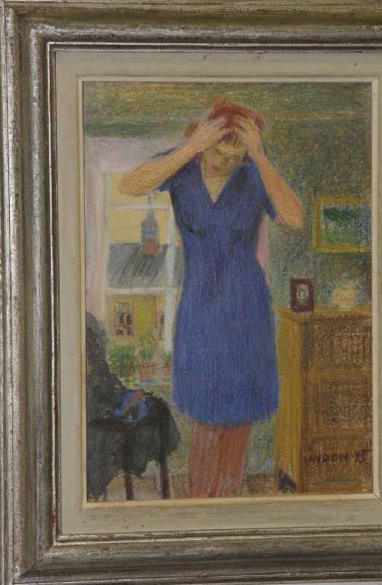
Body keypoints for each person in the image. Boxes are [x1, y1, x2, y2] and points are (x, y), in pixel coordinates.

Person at [120, 100, 304, 498]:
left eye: (235, 156)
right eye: (219, 152)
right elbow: (130, 185)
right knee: (205, 418)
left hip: (246, 308)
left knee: (239, 420)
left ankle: (228, 504)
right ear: (204, 143)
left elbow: (294, 217)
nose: (226, 162)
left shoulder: (254, 176)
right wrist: (191, 147)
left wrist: (259, 156)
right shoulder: (182, 172)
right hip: (201, 307)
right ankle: (200, 505)